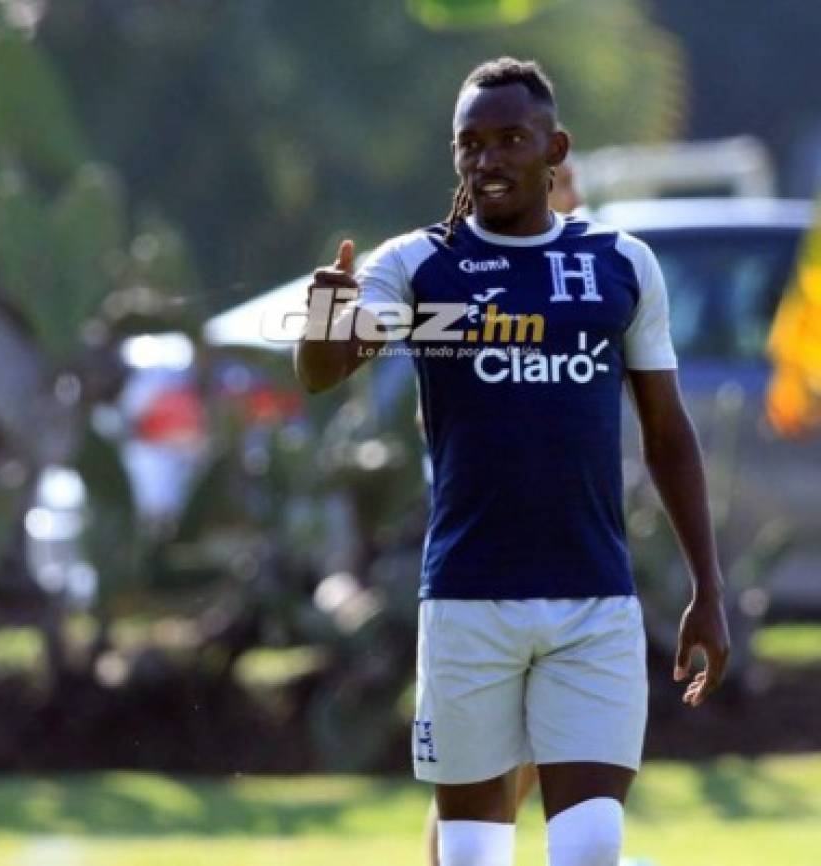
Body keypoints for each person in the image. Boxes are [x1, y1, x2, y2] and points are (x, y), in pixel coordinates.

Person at [294, 58, 729, 866]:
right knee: (467, 856)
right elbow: (324, 371)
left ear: (553, 148)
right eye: (470, 145)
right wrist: (327, 308)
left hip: (593, 602)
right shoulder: (419, 265)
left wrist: (708, 585)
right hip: (466, 601)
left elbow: (668, 431)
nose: (488, 159)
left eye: (509, 140)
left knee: (593, 847)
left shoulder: (619, 263)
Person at [419, 156, 581, 866]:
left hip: (566, 565)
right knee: (483, 777)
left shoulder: (584, 270)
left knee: (542, 762)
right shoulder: (464, 274)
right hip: (485, 572)